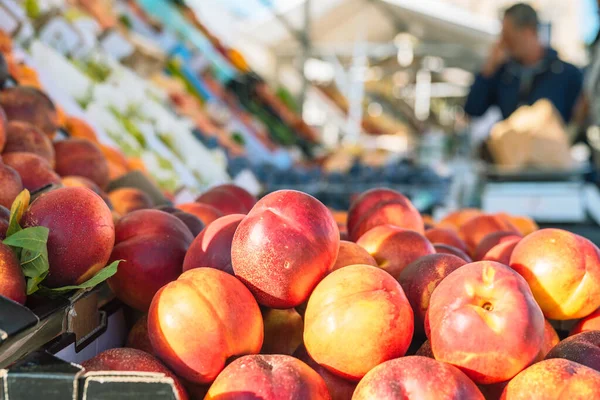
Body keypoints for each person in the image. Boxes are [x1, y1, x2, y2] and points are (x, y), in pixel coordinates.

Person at [464, 3, 583, 124]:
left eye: (508, 37)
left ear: (528, 32)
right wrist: (488, 70)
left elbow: (578, 122)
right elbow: (473, 109)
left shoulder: (567, 74)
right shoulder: (504, 73)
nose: (503, 43)